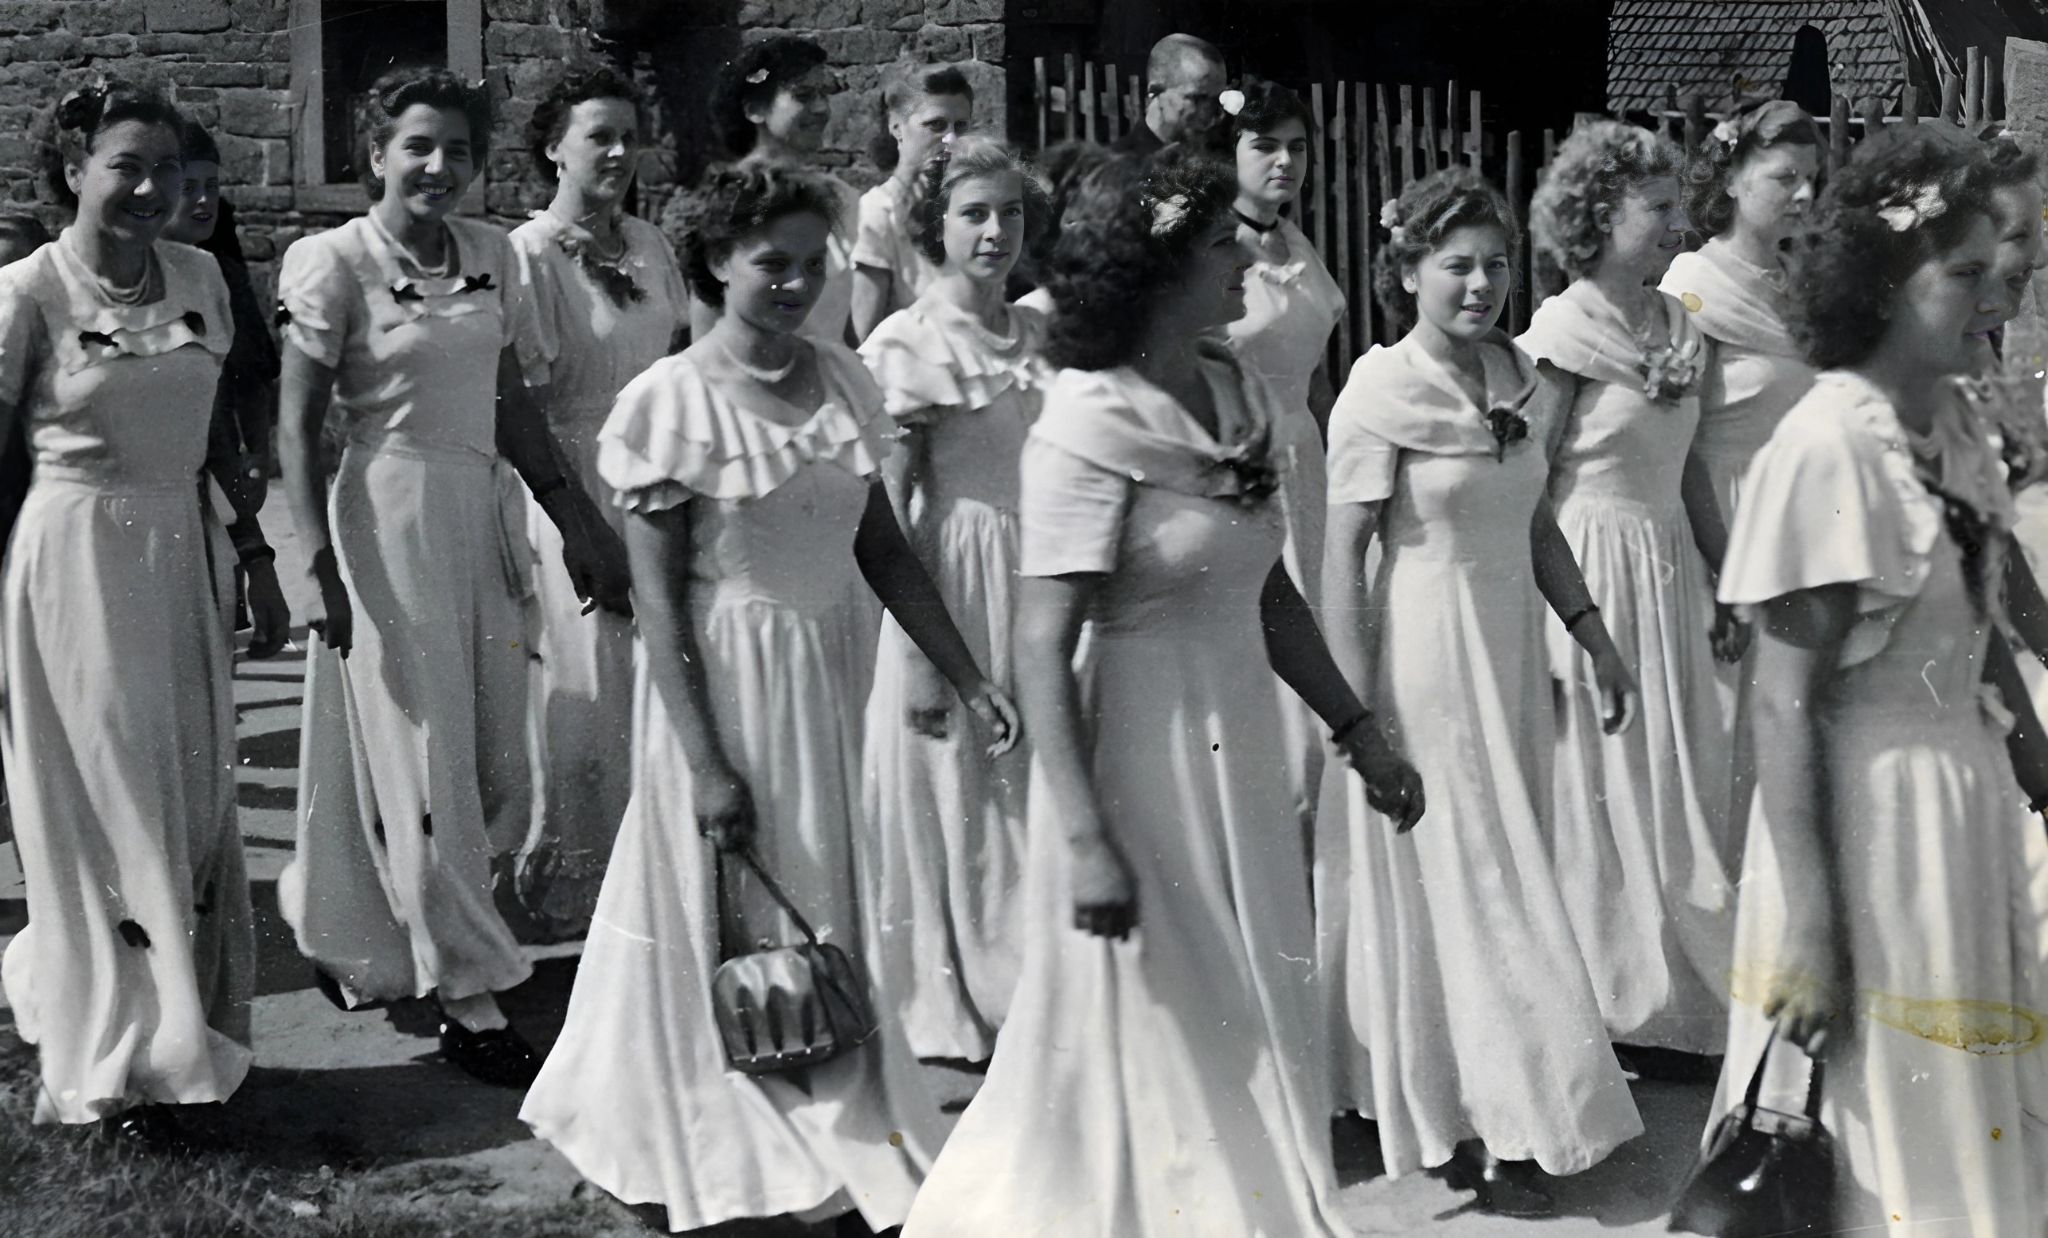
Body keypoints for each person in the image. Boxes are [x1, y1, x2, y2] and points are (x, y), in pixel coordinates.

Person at [901, 147, 1423, 1238]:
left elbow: (1267, 588)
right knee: (1161, 1031)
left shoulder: (1233, 388)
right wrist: (1085, 838)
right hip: (1134, 760)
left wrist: (1356, 728)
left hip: (1237, 737)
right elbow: (1041, 644)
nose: (1245, 256)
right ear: (1155, 269)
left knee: (1244, 1010)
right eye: (1220, 244)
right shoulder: (1084, 420)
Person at [521, 160, 1018, 1236]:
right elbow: (657, 606)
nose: (794, 284)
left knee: (821, 907)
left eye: (811, 263)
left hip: (831, 682)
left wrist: (969, 673)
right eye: (769, 264)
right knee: (725, 920)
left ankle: (833, 1132)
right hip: (724, 691)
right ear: (713, 261)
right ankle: (705, 1137)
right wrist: (704, 760)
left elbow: (881, 547)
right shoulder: (668, 403)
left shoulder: (845, 378)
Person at [1707, 125, 2048, 1232]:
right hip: (1866, 831)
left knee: (1970, 1118)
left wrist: (2036, 758)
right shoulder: (1826, 445)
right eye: (1962, 272)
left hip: (1961, 807)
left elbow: (1975, 615)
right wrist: (1809, 921)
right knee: (1877, 1134)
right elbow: (1779, 695)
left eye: (2007, 263)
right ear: (1884, 284)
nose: (1998, 285)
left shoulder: (1951, 427)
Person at [274, 66, 632, 1087]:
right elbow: (296, 427)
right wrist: (310, 562)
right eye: (416, 147)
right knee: (420, 749)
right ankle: (468, 990)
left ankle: (353, 922)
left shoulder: (488, 255)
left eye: (459, 151)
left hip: (479, 509)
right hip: (382, 513)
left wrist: (573, 520)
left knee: (487, 752)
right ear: (373, 153)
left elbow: (509, 396)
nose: (439, 168)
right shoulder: (329, 261)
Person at [1317, 165, 1644, 1215]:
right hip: (1424, 657)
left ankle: (1479, 1099)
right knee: (1472, 878)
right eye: (1452, 265)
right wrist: (1352, 710)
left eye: (1493, 264)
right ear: (1403, 270)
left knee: (1497, 867)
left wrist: (1591, 632)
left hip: (1507, 653)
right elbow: (1342, 558)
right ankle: (1506, 1120)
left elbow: (1536, 521)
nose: (1477, 285)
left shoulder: (1523, 376)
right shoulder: (1378, 387)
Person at [0, 76, 253, 1145]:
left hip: (180, 551)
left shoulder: (198, 274)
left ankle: (158, 1015)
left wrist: (250, 553)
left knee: (190, 800)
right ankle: (133, 1060)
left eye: (166, 169)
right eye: (125, 167)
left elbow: (221, 433)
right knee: (108, 809)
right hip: (72, 564)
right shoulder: (26, 292)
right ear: (71, 169)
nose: (151, 190)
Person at [1520, 120, 1736, 1078]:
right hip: (1591, 568)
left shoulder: (1682, 325)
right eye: (1657, 209)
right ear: (1599, 216)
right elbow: (1524, 483)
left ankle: (1674, 996)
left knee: (1672, 773)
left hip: (1669, 569)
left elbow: (1689, 472)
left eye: (1677, 207)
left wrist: (1724, 571)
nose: (1676, 224)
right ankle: (1607, 1000)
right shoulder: (1563, 334)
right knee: (1599, 784)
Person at [858, 135, 1051, 1065]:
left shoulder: (1040, 335)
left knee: (1032, 787)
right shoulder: (906, 344)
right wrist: (929, 661)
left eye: (1010, 211)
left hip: (1037, 571)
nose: (996, 231)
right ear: (933, 226)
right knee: (961, 791)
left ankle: (1033, 982)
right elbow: (891, 512)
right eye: (975, 212)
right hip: (951, 576)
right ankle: (962, 999)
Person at [508, 65, 688, 938]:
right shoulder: (530, 254)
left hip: (659, 480)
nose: (618, 152)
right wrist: (574, 521)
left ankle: (652, 889)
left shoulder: (653, 245)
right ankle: (578, 897)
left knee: (660, 687)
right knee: (588, 695)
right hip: (572, 485)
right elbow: (521, 404)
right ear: (553, 148)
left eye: (629, 134)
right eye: (597, 136)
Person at [1658, 101, 1822, 831]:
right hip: (1723, 533)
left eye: (1812, 178)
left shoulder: (1799, 282)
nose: (1804, 195)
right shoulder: (1693, 287)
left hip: (1802, 529)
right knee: (1735, 742)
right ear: (1730, 178)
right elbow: (1678, 448)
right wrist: (1726, 570)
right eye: (1785, 177)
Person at [1218, 77, 1345, 838]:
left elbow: (1318, 376)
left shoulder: (1296, 244)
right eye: (1265, 146)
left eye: (1297, 148)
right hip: (1243, 464)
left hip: (1307, 466)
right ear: (1229, 150)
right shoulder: (1212, 246)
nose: (1284, 163)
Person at [165, 119, 288, 659]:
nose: (202, 202)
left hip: (214, 483)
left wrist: (258, 451)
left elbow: (253, 374)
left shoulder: (220, 277)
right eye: (187, 187)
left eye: (211, 188)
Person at [677, 36, 860, 349]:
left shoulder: (843, 199)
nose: (820, 108)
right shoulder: (731, 200)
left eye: (823, 94)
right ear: (754, 109)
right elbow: (705, 330)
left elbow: (844, 328)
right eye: (803, 95)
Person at [849, 60, 972, 343]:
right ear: (897, 128)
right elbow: (864, 337)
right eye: (936, 125)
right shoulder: (877, 213)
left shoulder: (972, 208)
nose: (951, 139)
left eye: (961, 127)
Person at [1114, 33, 1226, 156]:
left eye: (1216, 100)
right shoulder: (1121, 165)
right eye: (1198, 98)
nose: (1217, 117)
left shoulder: (1212, 159)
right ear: (1155, 91)